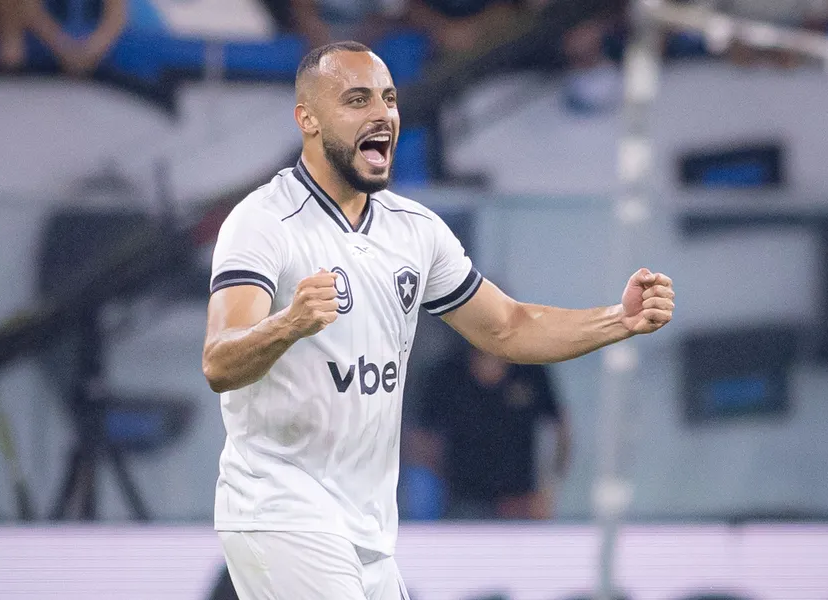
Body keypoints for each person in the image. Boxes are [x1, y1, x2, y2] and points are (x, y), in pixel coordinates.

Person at [202, 40, 675, 600]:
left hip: (370, 529)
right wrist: (288, 324)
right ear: (308, 118)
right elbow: (219, 362)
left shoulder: (415, 231)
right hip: (280, 512)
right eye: (357, 100)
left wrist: (620, 319)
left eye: (389, 98)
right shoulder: (262, 222)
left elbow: (509, 327)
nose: (382, 114)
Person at [413, 344, 572, 519]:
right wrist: (441, 482)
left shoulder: (529, 369)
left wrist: (549, 489)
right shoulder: (449, 373)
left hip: (520, 503)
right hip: (463, 504)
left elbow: (561, 428)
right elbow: (421, 438)